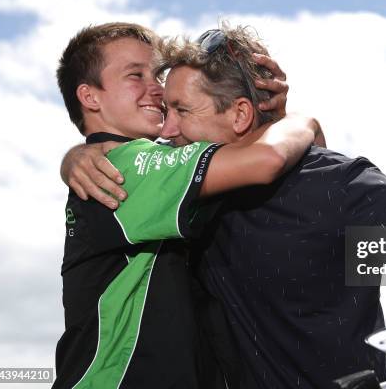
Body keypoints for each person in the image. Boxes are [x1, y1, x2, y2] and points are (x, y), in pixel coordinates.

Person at [64, 25, 386, 388]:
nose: (167, 129)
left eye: (182, 110)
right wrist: (78, 154)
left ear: (241, 114)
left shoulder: (345, 184)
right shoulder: (186, 204)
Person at [53, 22, 323, 389]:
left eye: (157, 74)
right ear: (90, 97)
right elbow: (268, 159)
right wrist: (299, 119)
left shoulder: (149, 162)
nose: (157, 88)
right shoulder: (127, 165)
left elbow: (307, 169)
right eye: (136, 75)